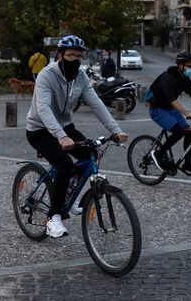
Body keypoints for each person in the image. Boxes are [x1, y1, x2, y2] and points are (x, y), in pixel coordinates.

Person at [26, 35, 129, 238]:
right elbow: (43, 108)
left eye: (78, 56)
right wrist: (61, 136)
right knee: (64, 164)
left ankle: (69, 198)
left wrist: (115, 130)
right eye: (70, 55)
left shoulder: (80, 77)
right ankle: (53, 218)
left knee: (89, 153)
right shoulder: (46, 75)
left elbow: (96, 103)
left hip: (65, 125)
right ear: (60, 55)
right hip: (39, 130)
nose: (74, 59)